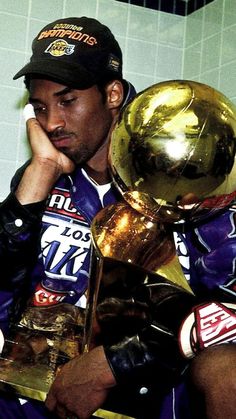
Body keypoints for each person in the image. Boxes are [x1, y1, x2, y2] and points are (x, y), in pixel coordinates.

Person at [0, 16, 235, 419]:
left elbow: (227, 307)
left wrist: (114, 363)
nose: (52, 122)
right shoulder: (42, 176)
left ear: (112, 94)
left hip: (138, 393)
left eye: (67, 101)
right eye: (40, 107)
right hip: (28, 393)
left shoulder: (179, 177)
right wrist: (39, 171)